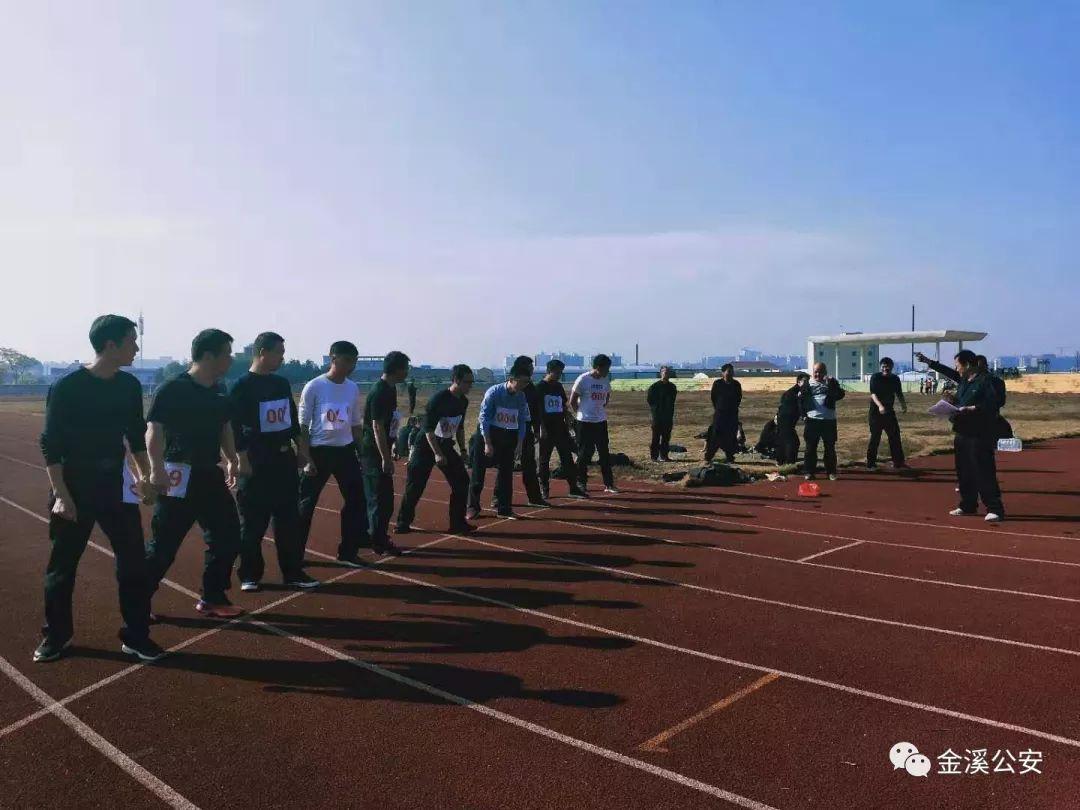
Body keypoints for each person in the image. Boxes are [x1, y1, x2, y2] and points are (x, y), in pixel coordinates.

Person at [34, 315, 162, 663]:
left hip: (114, 485)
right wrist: (61, 495)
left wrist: (146, 476)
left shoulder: (129, 386)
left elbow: (135, 436)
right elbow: (51, 444)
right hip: (74, 486)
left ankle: (136, 636)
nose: (136, 347)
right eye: (131, 341)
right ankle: (56, 636)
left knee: (133, 562)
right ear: (110, 345)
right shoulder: (68, 387)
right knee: (63, 567)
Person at [145, 328, 244, 619]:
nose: (231, 359)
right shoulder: (173, 389)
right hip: (178, 475)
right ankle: (138, 601)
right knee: (164, 545)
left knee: (228, 536)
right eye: (227, 354)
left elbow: (225, 426)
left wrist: (232, 459)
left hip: (209, 474)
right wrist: (156, 470)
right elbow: (154, 430)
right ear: (208, 355)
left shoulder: (220, 390)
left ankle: (213, 596)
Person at [228, 332, 319, 593]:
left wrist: (303, 453)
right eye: (279, 352)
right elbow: (233, 428)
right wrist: (240, 459)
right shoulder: (241, 386)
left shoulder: (280, 384)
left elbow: (291, 422)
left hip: (283, 461)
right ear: (262, 353)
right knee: (253, 523)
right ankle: (249, 574)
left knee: (288, 521)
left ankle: (292, 573)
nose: (282, 358)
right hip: (256, 462)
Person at [296, 341, 370, 566]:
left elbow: (355, 424)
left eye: (354, 361)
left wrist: (362, 453)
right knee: (305, 505)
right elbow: (303, 426)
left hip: (345, 452)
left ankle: (348, 551)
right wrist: (306, 458)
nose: (351, 365)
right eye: (347, 360)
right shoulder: (314, 386)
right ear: (333, 358)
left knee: (356, 501)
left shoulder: (352, 388)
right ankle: (294, 555)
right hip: (319, 452)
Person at [916, 350, 1005, 521]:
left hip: (980, 433)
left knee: (983, 471)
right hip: (962, 431)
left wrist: (973, 408)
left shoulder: (988, 381)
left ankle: (995, 508)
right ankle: (968, 505)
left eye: (958, 366)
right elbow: (949, 374)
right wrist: (951, 402)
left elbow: (995, 403)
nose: (956, 369)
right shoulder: (964, 380)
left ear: (968, 365)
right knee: (964, 471)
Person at [396, 364, 475, 534]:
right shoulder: (439, 399)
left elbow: (459, 427)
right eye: (467, 382)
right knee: (415, 485)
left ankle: (457, 523)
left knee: (462, 481)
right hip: (425, 446)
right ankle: (403, 522)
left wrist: (463, 450)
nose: (470, 386)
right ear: (456, 380)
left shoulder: (463, 401)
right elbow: (428, 430)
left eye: (472, 382)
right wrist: (437, 454)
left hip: (445, 445)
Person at [360, 351, 410, 554]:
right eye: (405, 368)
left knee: (384, 500)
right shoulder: (380, 391)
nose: (407, 372)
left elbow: (391, 422)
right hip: (373, 453)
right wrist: (385, 457)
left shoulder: (391, 389)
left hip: (382, 449)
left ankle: (374, 536)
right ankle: (377, 540)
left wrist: (394, 443)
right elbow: (377, 426)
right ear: (397, 369)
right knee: (380, 500)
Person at [468, 359, 531, 519]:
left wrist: (519, 443)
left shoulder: (521, 397)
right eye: (522, 382)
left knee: (506, 474)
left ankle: (504, 508)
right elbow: (484, 419)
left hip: (508, 435)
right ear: (511, 379)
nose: (524, 385)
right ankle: (473, 507)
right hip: (488, 434)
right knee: (478, 473)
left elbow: (522, 421)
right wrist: (487, 443)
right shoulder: (494, 393)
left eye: (527, 382)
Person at [536, 359, 586, 500]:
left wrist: (568, 418)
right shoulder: (539, 387)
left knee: (567, 458)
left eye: (561, 372)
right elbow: (537, 411)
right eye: (557, 372)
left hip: (560, 428)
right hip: (546, 429)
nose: (559, 375)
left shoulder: (558, 386)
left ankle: (573, 488)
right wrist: (541, 428)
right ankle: (544, 489)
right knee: (544, 460)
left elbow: (562, 405)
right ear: (549, 371)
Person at [570, 354, 618, 494]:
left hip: (600, 422)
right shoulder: (583, 379)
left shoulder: (605, 380)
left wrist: (600, 408)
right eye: (606, 368)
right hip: (584, 422)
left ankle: (609, 484)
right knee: (584, 454)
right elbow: (572, 400)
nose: (608, 371)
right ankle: (581, 482)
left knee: (604, 453)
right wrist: (581, 413)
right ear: (598, 367)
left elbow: (607, 396)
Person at [800, 362, 845, 480]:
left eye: (820, 372)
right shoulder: (807, 384)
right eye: (816, 372)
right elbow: (801, 401)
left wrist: (832, 384)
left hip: (829, 420)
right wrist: (803, 415)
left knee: (829, 447)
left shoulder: (831, 383)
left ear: (825, 372)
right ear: (812, 372)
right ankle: (809, 472)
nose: (818, 374)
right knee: (810, 448)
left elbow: (841, 394)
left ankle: (831, 472)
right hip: (812, 419)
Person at [514, 355, 548, 507]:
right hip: (509, 431)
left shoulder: (531, 388)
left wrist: (537, 428)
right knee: (506, 465)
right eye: (530, 366)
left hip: (526, 430)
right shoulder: (511, 386)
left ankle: (534, 497)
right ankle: (498, 498)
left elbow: (535, 410)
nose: (533, 369)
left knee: (529, 464)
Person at [866, 357, 908, 471]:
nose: (885, 369)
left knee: (895, 436)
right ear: (881, 367)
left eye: (888, 366)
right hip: (876, 413)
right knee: (875, 438)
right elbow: (873, 394)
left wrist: (903, 404)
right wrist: (880, 406)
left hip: (889, 412)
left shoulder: (895, 379)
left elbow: (899, 393)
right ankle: (871, 464)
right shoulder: (875, 377)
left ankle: (898, 462)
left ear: (892, 367)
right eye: (883, 366)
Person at [704, 363, 742, 463]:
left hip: (732, 415)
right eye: (729, 371)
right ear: (723, 373)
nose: (731, 373)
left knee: (730, 435)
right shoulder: (718, 384)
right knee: (715, 435)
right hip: (720, 415)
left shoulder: (736, 385)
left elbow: (739, 398)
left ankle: (730, 457)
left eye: (732, 371)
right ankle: (708, 456)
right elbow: (714, 397)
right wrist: (719, 408)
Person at [774, 373, 807, 465]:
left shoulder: (797, 391)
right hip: (785, 419)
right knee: (793, 441)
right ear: (798, 382)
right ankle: (789, 462)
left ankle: (781, 461)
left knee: (784, 440)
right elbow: (794, 405)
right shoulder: (793, 393)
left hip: (785, 419)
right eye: (805, 381)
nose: (807, 383)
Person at [647, 366, 678, 461]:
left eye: (667, 372)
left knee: (666, 437)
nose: (665, 373)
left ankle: (664, 456)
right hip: (657, 416)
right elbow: (650, 400)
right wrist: (656, 410)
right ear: (660, 373)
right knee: (655, 437)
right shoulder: (654, 387)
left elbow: (672, 400)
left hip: (668, 416)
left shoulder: (672, 387)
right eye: (664, 371)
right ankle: (654, 456)